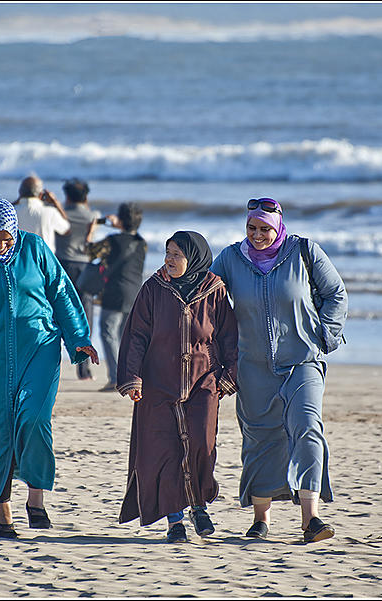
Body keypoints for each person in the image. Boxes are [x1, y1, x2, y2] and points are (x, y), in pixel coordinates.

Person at [0, 197, 99, 539]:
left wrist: (78, 338)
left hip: (39, 349)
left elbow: (62, 294)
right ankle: (2, 513)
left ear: (15, 232)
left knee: (34, 419)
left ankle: (36, 499)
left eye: (6, 239)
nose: (0, 246)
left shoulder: (35, 248)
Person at [209, 197, 347, 543]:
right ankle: (261, 519)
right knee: (259, 437)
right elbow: (206, 300)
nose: (258, 235)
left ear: (279, 227)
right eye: (252, 228)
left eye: (265, 229)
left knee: (307, 426)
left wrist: (324, 335)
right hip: (252, 365)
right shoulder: (230, 258)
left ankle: (311, 519)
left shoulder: (304, 252)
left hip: (302, 360)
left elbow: (336, 293)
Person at [116, 231, 238, 543]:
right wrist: (133, 378)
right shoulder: (153, 289)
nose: (169, 260)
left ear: (193, 259)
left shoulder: (215, 291)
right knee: (165, 452)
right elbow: (136, 336)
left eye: (176, 255)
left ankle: (198, 505)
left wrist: (228, 378)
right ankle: (175, 521)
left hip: (203, 383)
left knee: (202, 445)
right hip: (158, 385)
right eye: (167, 253)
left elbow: (230, 339)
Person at [86, 202, 146, 392]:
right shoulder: (141, 243)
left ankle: (115, 378)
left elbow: (89, 250)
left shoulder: (112, 241)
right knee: (126, 337)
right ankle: (130, 376)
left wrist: (93, 227)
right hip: (136, 293)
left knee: (107, 332)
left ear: (120, 219)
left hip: (114, 293)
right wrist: (121, 226)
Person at [54, 178, 110, 381]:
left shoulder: (60, 214)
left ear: (67, 195)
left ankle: (54, 360)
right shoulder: (92, 215)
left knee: (60, 314)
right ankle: (84, 370)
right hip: (85, 267)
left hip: (62, 266)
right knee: (85, 315)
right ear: (86, 196)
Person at [14, 174, 70, 252]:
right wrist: (56, 203)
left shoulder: (12, 212)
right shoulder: (50, 212)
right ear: (41, 194)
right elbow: (66, 229)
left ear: (20, 193)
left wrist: (16, 201)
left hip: (20, 260)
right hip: (44, 259)